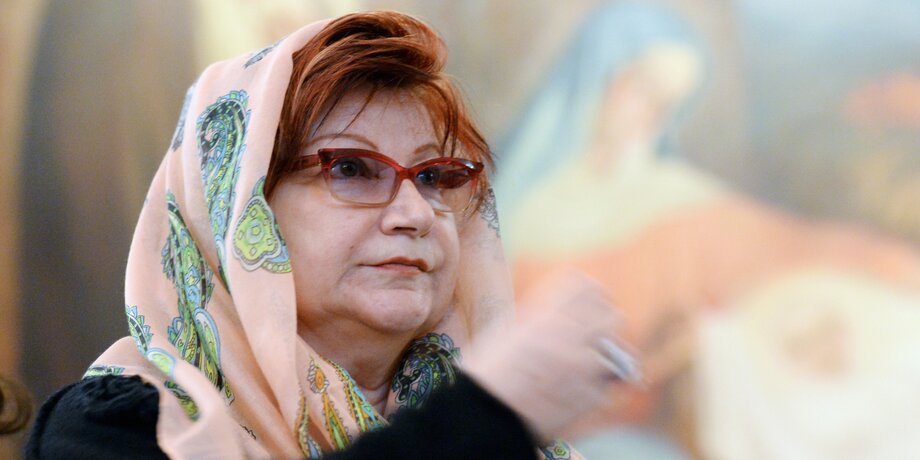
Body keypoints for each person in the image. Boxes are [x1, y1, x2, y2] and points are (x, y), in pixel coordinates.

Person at [26, 11, 628, 460]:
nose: (414, 213)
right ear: (232, 209)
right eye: (351, 168)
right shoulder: (114, 427)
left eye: (434, 176)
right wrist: (490, 414)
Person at [495, 1, 920, 455]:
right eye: (642, 90)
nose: (650, 116)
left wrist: (894, 264)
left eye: (666, 103)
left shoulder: (673, 192)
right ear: (596, 81)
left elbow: (787, 246)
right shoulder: (514, 218)